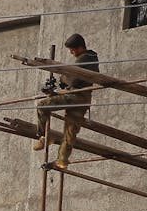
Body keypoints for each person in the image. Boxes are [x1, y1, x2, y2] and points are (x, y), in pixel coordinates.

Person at [33, 34, 99, 169]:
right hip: (84, 99)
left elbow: (73, 79)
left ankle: (44, 136)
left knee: (43, 106)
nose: (71, 52)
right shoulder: (92, 58)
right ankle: (62, 159)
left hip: (76, 97)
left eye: (73, 50)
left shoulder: (85, 58)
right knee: (70, 131)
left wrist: (62, 79)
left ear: (81, 47)